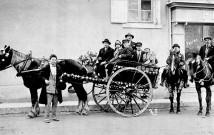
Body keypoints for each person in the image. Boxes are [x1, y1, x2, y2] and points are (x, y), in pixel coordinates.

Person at [38, 54, 64, 123]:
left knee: (55, 103)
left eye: (55, 60)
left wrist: (61, 79)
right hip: (48, 88)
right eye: (52, 59)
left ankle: (54, 116)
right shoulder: (46, 67)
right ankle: (46, 118)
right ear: (50, 60)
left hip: (56, 88)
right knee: (48, 103)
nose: (54, 61)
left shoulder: (58, 67)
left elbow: (61, 75)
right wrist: (45, 80)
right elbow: (39, 74)